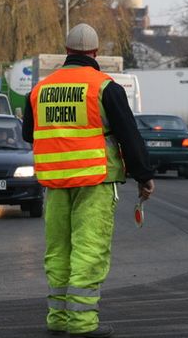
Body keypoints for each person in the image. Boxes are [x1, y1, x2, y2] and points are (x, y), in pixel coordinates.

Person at [22, 23, 155, 338]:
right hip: (94, 180)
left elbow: (29, 133)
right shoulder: (105, 87)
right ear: (95, 53)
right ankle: (82, 324)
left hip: (54, 183)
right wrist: (144, 176)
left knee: (58, 249)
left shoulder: (40, 90)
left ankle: (57, 318)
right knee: (89, 249)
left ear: (66, 51)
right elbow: (129, 136)